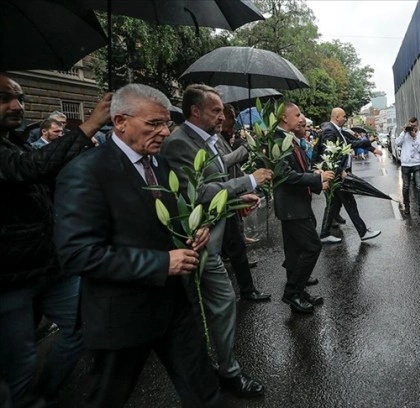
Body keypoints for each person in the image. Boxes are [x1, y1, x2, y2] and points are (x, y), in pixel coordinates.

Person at [54, 83, 221, 408]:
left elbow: (168, 218)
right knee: (107, 398)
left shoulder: (159, 164)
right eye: (154, 124)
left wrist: (196, 228)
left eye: (166, 123)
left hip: (173, 306)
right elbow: (77, 254)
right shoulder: (85, 173)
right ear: (120, 121)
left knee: (204, 392)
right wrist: (162, 263)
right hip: (121, 316)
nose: (164, 131)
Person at [0, 73, 110, 404]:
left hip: (51, 265)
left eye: (20, 98)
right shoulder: (19, 151)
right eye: (6, 97)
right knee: (20, 364)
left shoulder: (13, 141)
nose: (17, 105)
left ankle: (45, 395)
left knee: (81, 328)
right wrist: (89, 124)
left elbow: (50, 177)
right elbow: (29, 167)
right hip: (10, 278)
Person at [161, 84, 270, 399]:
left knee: (208, 308)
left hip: (214, 234)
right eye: (216, 110)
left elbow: (217, 182)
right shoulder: (179, 143)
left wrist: (239, 200)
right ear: (195, 111)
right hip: (196, 243)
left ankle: (212, 370)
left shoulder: (209, 140)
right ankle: (227, 373)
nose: (223, 116)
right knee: (219, 303)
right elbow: (197, 193)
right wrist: (249, 181)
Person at [274, 103, 334, 313]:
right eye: (297, 114)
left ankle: (298, 292)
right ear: (283, 117)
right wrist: (317, 178)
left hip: (299, 204)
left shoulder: (291, 139)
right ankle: (291, 293)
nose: (302, 119)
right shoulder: (276, 141)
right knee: (312, 247)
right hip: (292, 207)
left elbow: (301, 169)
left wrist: (317, 180)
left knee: (294, 253)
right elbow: (286, 176)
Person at [215, 104, 270, 302]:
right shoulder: (213, 139)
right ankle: (246, 290)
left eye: (225, 116)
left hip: (231, 196)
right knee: (234, 246)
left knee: (236, 244)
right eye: (226, 115)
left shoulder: (221, 137)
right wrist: (247, 147)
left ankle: (246, 287)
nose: (224, 119)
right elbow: (222, 163)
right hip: (222, 199)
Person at [318, 107, 383, 244]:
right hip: (339, 175)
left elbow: (352, 143)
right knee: (349, 203)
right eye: (344, 116)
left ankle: (324, 234)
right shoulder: (330, 131)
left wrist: (370, 146)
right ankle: (363, 232)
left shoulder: (338, 131)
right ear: (337, 117)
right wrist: (340, 170)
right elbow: (329, 154)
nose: (345, 118)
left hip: (340, 174)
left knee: (333, 204)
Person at [395, 117, 420, 218]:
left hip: (417, 163)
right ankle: (407, 207)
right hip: (406, 164)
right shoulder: (404, 134)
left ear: (417, 125)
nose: (413, 128)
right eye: (411, 126)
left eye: (415, 126)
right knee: (406, 187)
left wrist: (414, 138)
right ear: (408, 124)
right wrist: (404, 132)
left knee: (419, 187)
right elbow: (397, 143)